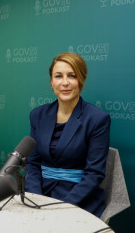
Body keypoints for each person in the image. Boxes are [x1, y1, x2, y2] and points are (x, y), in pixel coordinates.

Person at [25, 52, 111, 217]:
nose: (65, 83)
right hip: (41, 192)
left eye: (72, 76)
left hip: (79, 198)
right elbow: (32, 164)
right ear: (51, 81)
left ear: (81, 80)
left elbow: (94, 173)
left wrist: (62, 206)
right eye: (58, 76)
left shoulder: (97, 119)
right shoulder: (38, 115)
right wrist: (35, 198)